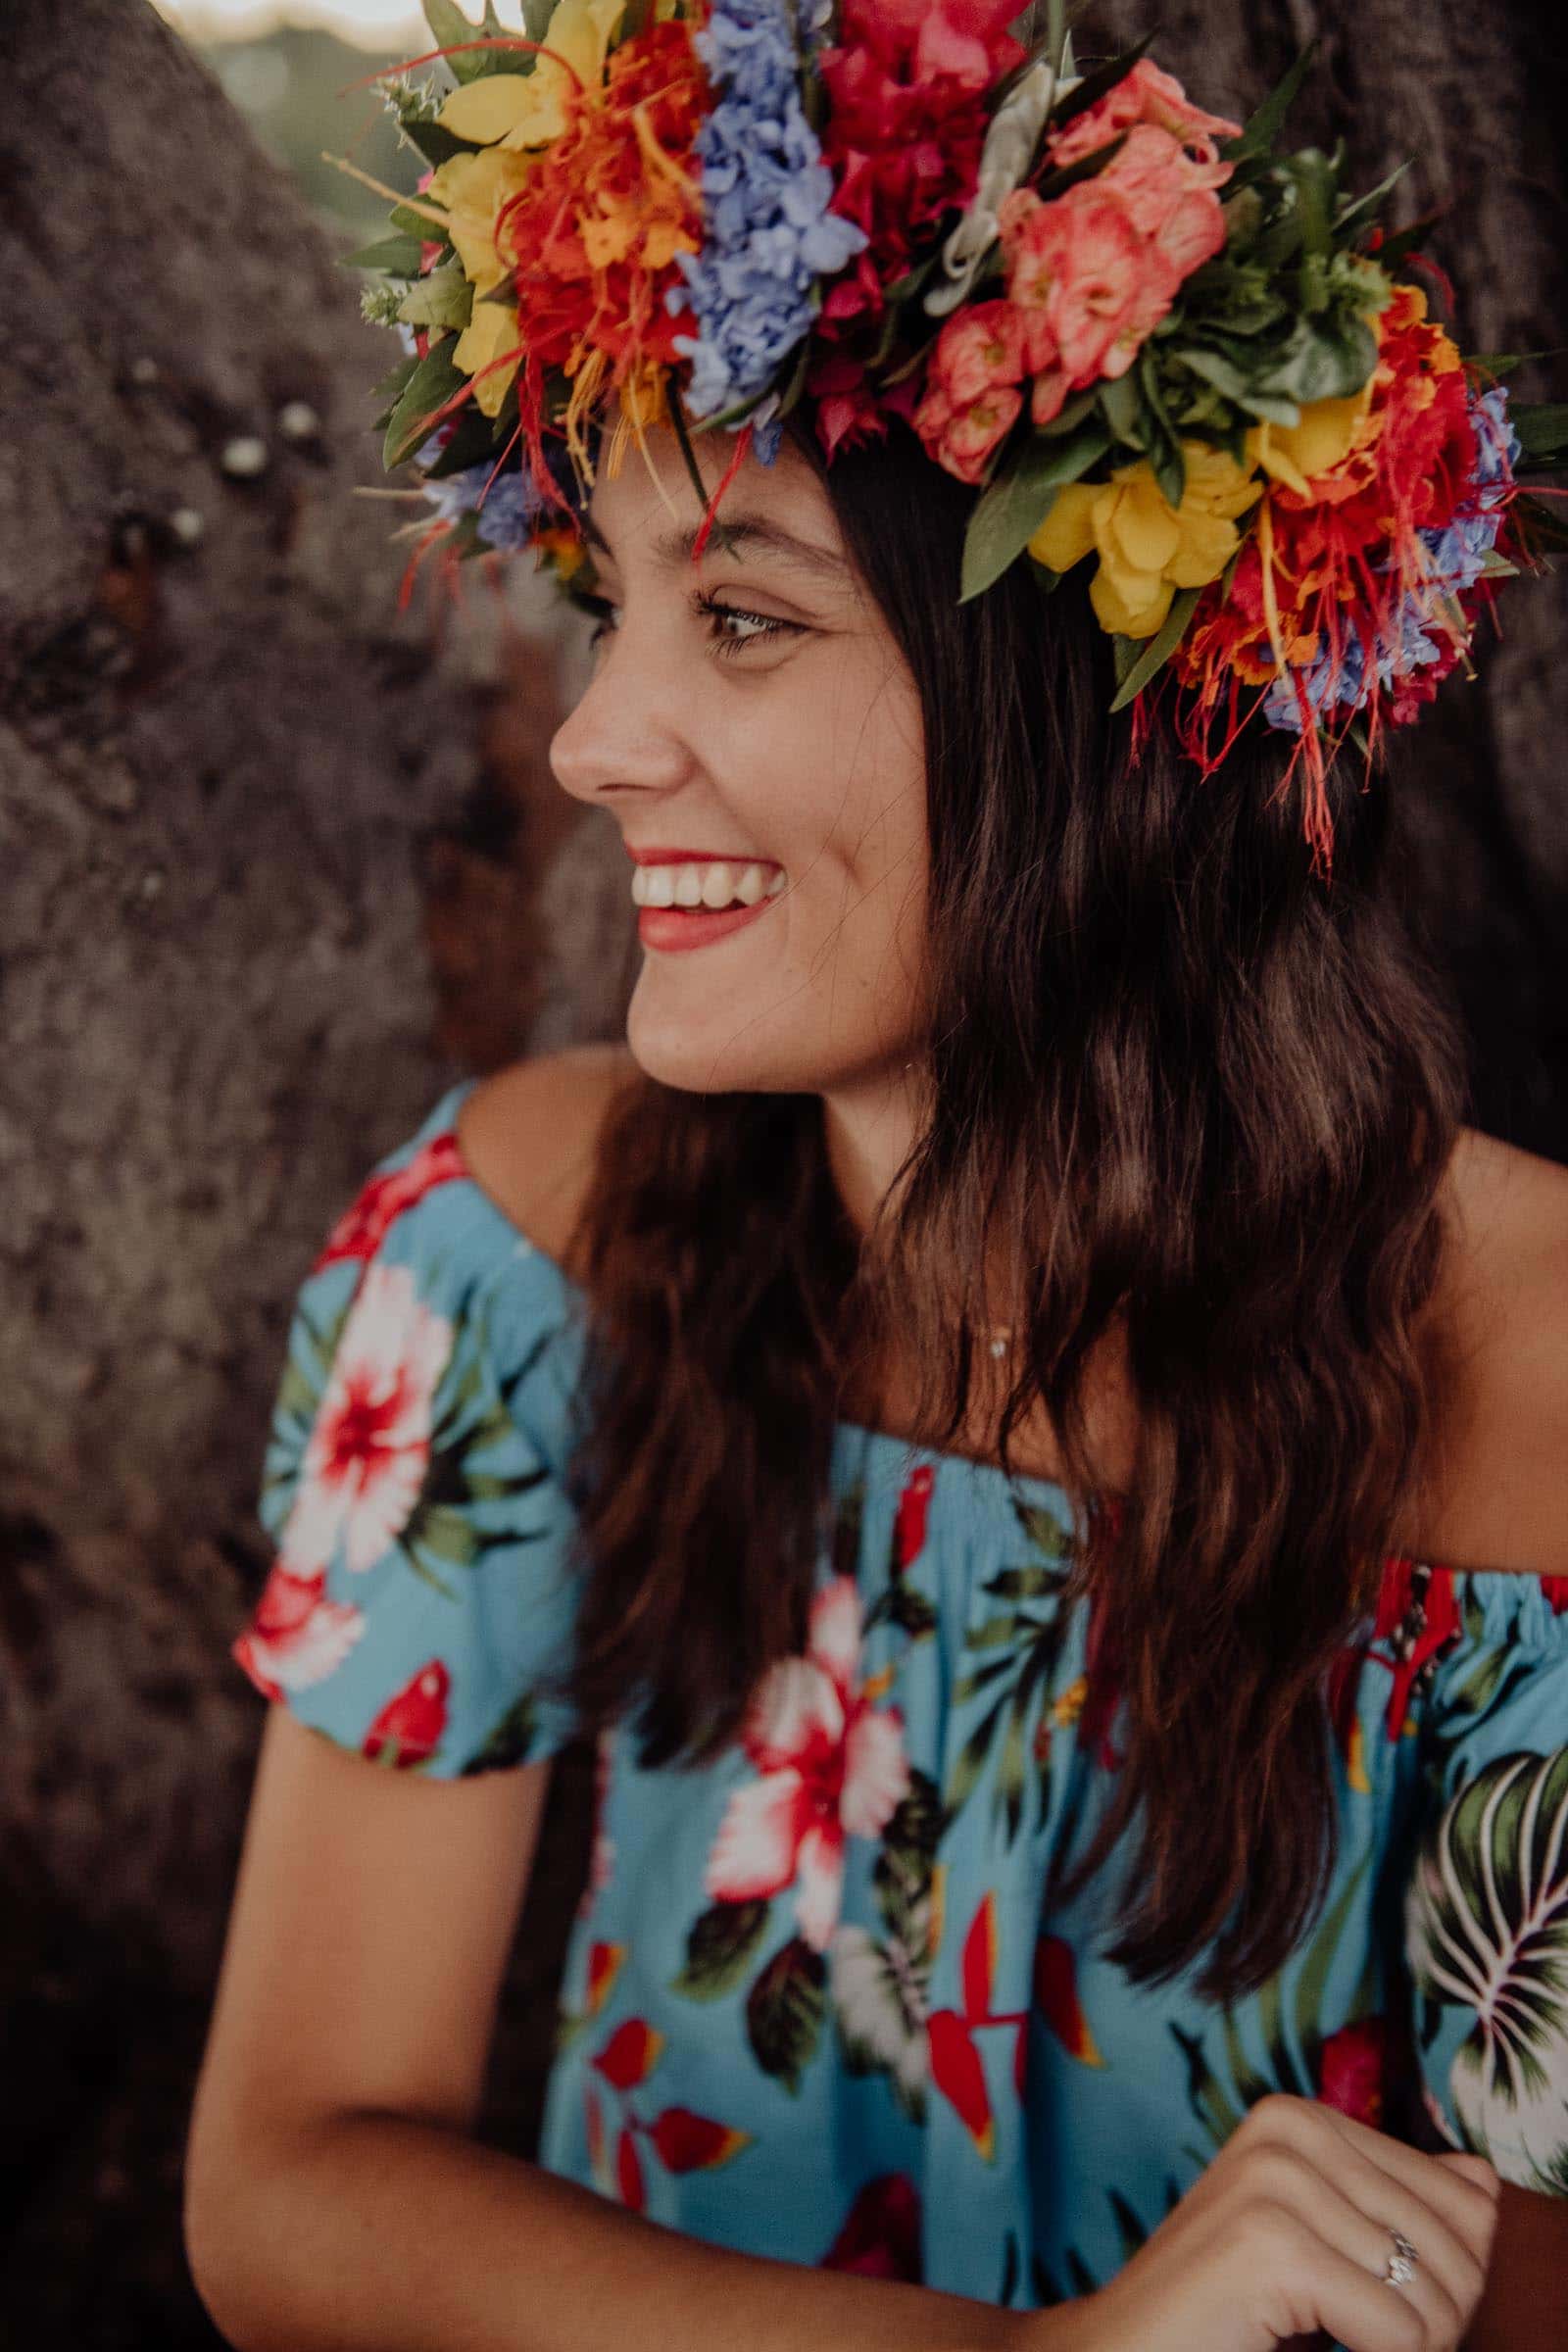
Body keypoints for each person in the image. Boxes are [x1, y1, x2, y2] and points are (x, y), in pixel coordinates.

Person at [184, 9, 1568, 2350]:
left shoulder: (1529, 1379)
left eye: (739, 615)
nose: (599, 736)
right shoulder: (511, 1261)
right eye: (607, 609)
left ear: (1096, 713)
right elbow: (289, 2189)